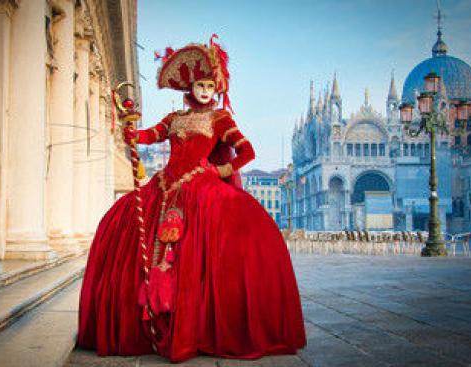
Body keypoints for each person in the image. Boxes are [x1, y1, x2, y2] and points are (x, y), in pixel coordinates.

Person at [77, 35, 306, 363]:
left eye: (210, 86)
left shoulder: (219, 120)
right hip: (164, 187)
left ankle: (195, 327)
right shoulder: (173, 119)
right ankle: (151, 321)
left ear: (216, 90)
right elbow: (148, 136)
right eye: (200, 85)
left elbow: (247, 151)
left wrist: (220, 170)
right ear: (190, 87)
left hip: (202, 190)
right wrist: (130, 131)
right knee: (119, 221)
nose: (205, 91)